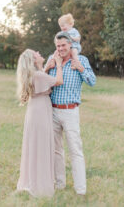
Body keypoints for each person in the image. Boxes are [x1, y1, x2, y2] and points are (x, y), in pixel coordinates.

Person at [45, 31, 96, 195]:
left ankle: (80, 190)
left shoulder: (81, 60)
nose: (60, 49)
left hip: (70, 111)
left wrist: (81, 68)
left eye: (63, 45)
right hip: (52, 110)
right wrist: (47, 68)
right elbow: (41, 80)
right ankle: (59, 184)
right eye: (58, 46)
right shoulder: (51, 60)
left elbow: (92, 81)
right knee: (56, 150)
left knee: (75, 150)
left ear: (70, 45)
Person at [16, 49, 63, 197]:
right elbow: (59, 81)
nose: (38, 52)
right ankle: (41, 183)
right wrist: (59, 65)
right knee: (42, 145)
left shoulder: (34, 75)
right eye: (36, 53)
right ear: (33, 60)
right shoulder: (39, 75)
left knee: (34, 145)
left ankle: (32, 178)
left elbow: (41, 78)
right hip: (41, 111)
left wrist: (46, 68)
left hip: (34, 110)